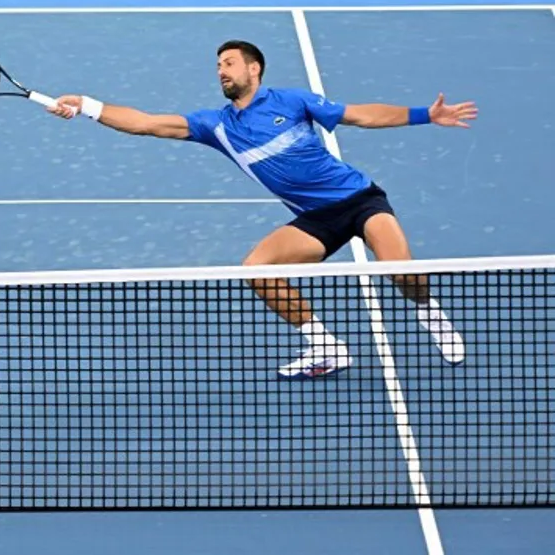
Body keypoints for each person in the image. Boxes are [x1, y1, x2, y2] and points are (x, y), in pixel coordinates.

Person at [46, 40, 477, 379]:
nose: (221, 71)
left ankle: (428, 312)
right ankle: (325, 346)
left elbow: (361, 116)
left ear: (253, 68)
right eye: (217, 66)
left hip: (360, 199)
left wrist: (425, 114)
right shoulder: (216, 125)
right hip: (317, 219)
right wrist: (86, 105)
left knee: (404, 274)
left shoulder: (290, 101)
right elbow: (145, 123)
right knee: (257, 269)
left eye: (229, 63)